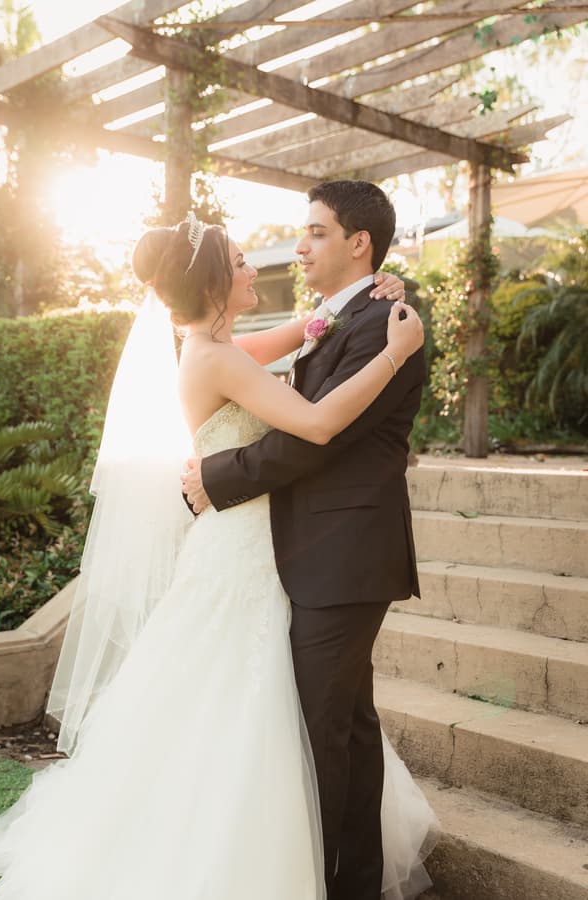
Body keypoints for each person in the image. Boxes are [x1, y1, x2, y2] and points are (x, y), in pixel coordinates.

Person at [0, 202, 435, 900]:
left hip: (258, 544)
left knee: (269, 707)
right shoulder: (215, 358)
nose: (254, 265)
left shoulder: (215, 347)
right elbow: (316, 423)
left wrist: (371, 299)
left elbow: (308, 329)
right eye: (238, 263)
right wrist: (392, 353)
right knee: (244, 706)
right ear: (211, 285)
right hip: (242, 553)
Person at [181, 180, 430, 900]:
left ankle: (328, 883)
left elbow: (318, 437)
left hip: (346, 555)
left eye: (316, 232)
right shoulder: (339, 316)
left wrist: (216, 477)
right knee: (341, 728)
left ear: (359, 244)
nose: (298, 245)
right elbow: (298, 406)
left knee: (325, 733)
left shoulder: (390, 318)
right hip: (317, 554)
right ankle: (345, 881)